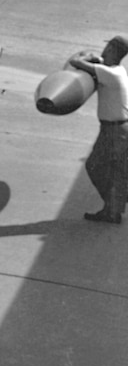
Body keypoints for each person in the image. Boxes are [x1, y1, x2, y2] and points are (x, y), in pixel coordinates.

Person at [68, 35, 128, 225]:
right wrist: (98, 60)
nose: (104, 49)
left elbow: (75, 61)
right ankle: (113, 209)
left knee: (95, 165)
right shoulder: (118, 70)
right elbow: (101, 65)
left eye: (108, 46)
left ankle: (114, 207)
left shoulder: (108, 73)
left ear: (112, 49)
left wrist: (88, 58)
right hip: (116, 128)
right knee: (114, 170)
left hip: (114, 130)